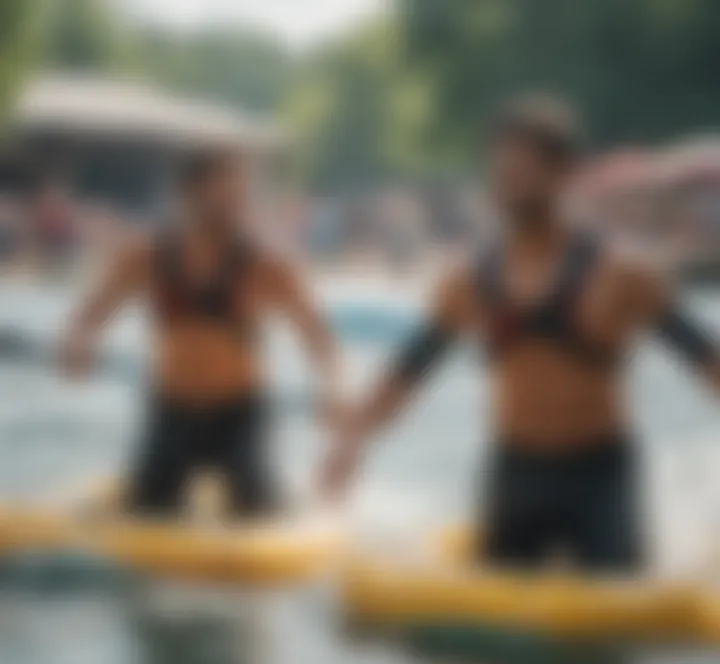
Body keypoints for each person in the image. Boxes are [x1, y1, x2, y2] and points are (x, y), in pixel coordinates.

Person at [322, 94, 720, 573]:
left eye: (521, 170)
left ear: (563, 172)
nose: (507, 183)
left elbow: (704, 358)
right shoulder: (469, 281)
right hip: (516, 475)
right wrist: (351, 443)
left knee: (607, 627)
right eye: (500, 170)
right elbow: (408, 371)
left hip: (598, 478)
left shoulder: (623, 275)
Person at [60, 148, 342, 518]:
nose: (241, 201)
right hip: (170, 412)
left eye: (242, 192)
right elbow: (88, 318)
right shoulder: (146, 256)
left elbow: (320, 339)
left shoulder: (267, 264)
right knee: (150, 513)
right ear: (190, 194)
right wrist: (80, 344)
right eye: (228, 192)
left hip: (239, 417)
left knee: (255, 511)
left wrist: (333, 389)